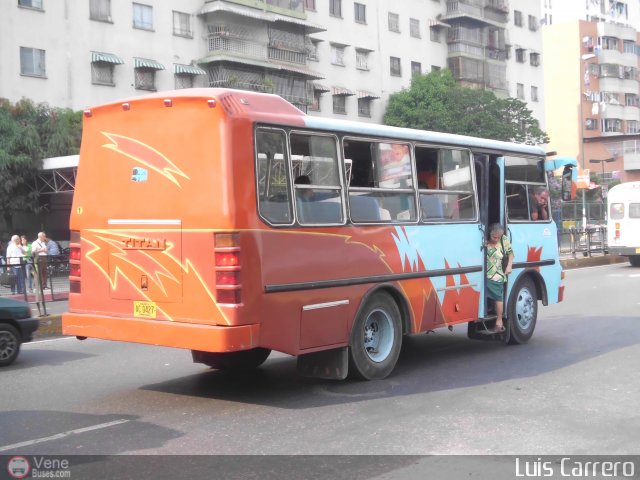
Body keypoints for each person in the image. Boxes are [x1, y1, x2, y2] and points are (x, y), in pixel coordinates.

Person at [485, 223, 513, 333]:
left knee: (498, 296)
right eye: (494, 237)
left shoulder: (503, 239)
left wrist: (509, 265)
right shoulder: (484, 239)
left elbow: (510, 253)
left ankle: (499, 320)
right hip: (484, 273)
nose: (496, 239)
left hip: (497, 273)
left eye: (498, 237)